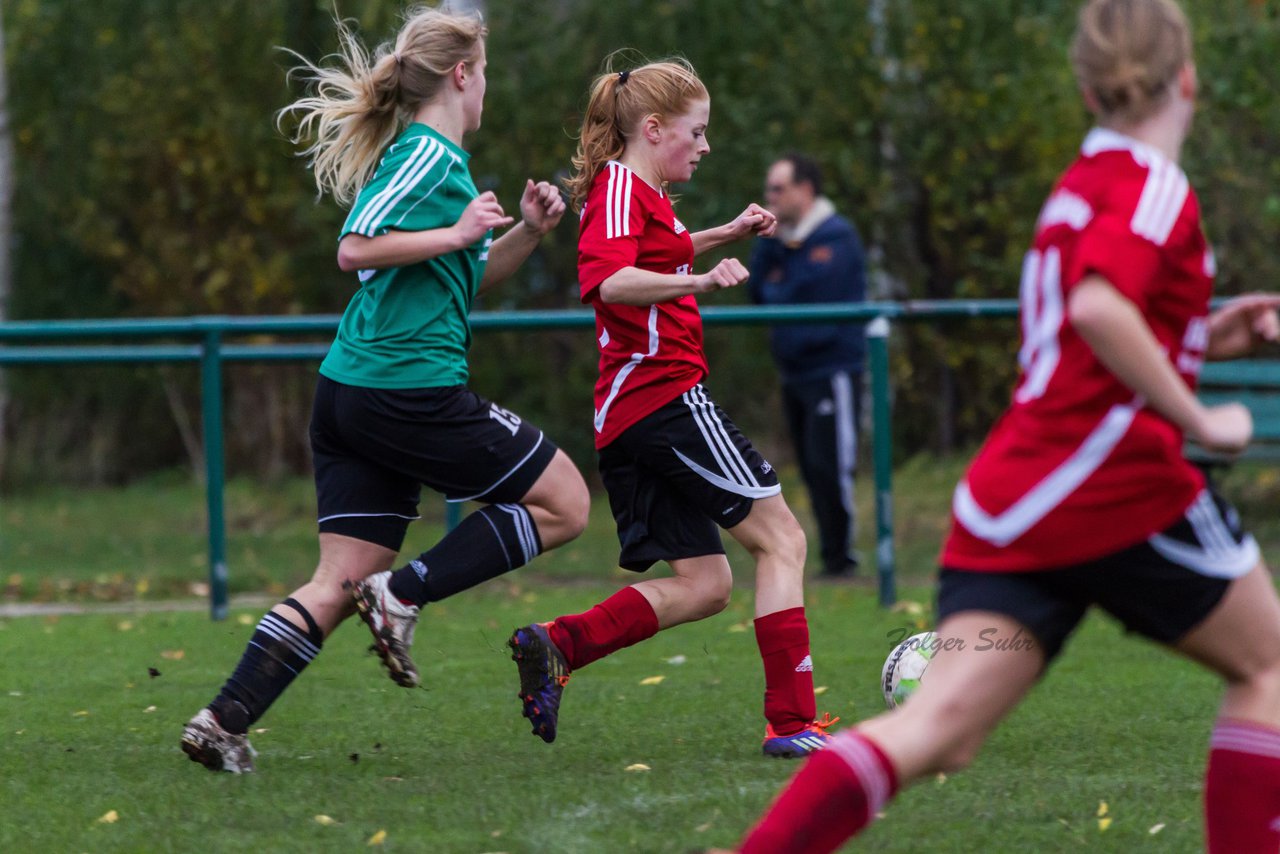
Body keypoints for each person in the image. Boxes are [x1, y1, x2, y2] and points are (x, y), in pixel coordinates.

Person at [731, 0, 1280, 849]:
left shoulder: (1082, 185)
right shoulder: (1154, 185)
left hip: (1013, 494)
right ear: (1188, 78)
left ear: (1087, 89)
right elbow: (1099, 310)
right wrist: (1200, 412)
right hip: (1110, 485)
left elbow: (1080, 345)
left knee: (939, 728)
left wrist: (1202, 333)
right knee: (1270, 668)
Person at [181, 6, 583, 773]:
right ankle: (405, 597)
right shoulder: (431, 157)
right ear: (463, 75)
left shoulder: (425, 162)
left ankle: (221, 722)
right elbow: (355, 246)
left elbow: (458, 282)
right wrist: (460, 233)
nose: (487, 86)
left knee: (340, 580)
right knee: (565, 503)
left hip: (353, 392)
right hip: (407, 390)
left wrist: (523, 233)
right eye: (485, 72)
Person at [506, 58, 837, 759]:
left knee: (706, 584)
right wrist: (703, 279)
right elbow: (609, 280)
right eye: (698, 131)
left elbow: (655, 252)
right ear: (654, 129)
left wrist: (724, 234)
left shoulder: (635, 192)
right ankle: (794, 723)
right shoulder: (623, 186)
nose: (706, 146)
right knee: (784, 542)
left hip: (631, 412)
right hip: (664, 399)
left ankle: (559, 643)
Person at [749, 153, 868, 579]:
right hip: (794, 372)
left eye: (778, 189)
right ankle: (832, 558)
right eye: (769, 190)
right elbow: (760, 293)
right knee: (810, 467)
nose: (771, 198)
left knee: (830, 464)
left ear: (805, 190)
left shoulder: (835, 238)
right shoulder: (783, 241)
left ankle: (844, 558)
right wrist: (767, 240)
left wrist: (782, 281)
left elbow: (794, 297)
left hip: (831, 370)